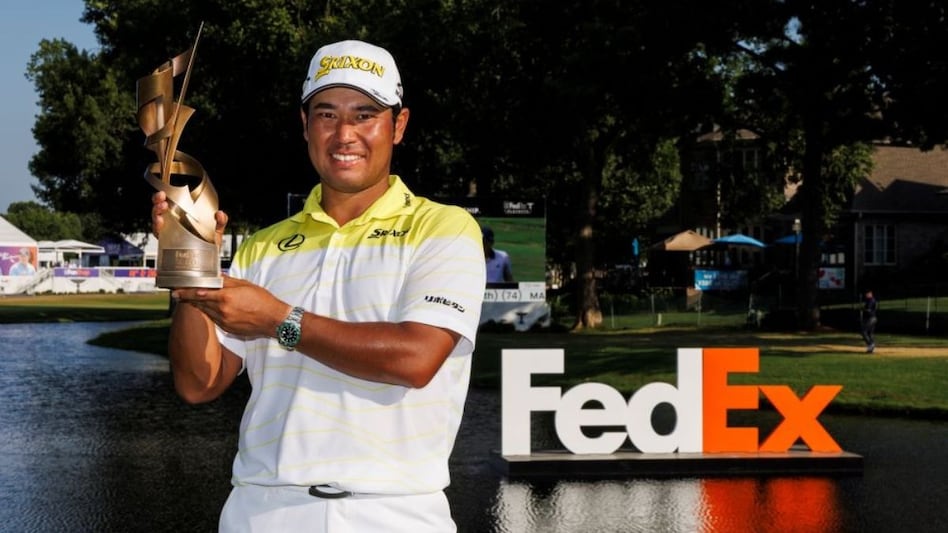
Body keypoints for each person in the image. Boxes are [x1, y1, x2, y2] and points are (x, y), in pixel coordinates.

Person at [151, 39, 486, 532]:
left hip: (394, 511)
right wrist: (189, 266)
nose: (344, 134)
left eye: (365, 114)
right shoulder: (264, 246)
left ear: (399, 125)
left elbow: (415, 360)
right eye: (326, 114)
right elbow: (199, 383)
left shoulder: (444, 228)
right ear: (304, 125)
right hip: (261, 510)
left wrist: (279, 321)